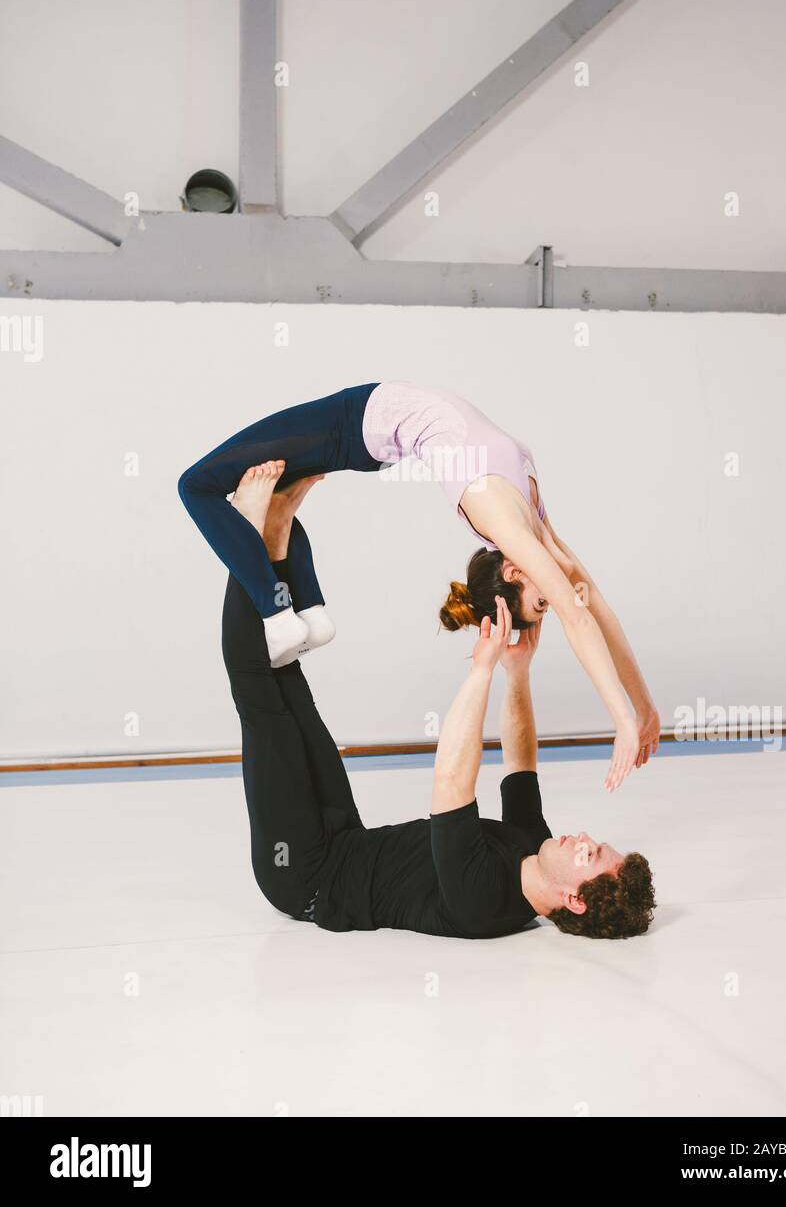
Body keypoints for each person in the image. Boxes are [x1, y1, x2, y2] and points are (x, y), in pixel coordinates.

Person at [222, 466, 656, 940]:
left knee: (260, 699)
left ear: (574, 899)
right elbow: (519, 762)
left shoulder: (483, 902)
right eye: (598, 845)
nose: (586, 840)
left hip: (306, 875)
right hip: (348, 839)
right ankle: (276, 532)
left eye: (589, 856)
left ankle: (245, 528)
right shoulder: (534, 848)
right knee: (287, 672)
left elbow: (451, 778)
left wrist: (482, 669)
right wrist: (517, 673)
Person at [178, 379, 660, 791]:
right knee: (279, 501)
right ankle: (311, 613)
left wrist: (622, 720)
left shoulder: (505, 523)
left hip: (354, 420)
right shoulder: (535, 529)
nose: (554, 595)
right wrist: (640, 710)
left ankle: (278, 619)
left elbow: (578, 615)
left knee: (196, 485)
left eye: (542, 601)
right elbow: (591, 606)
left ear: (512, 574)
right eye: (543, 601)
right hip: (364, 426)